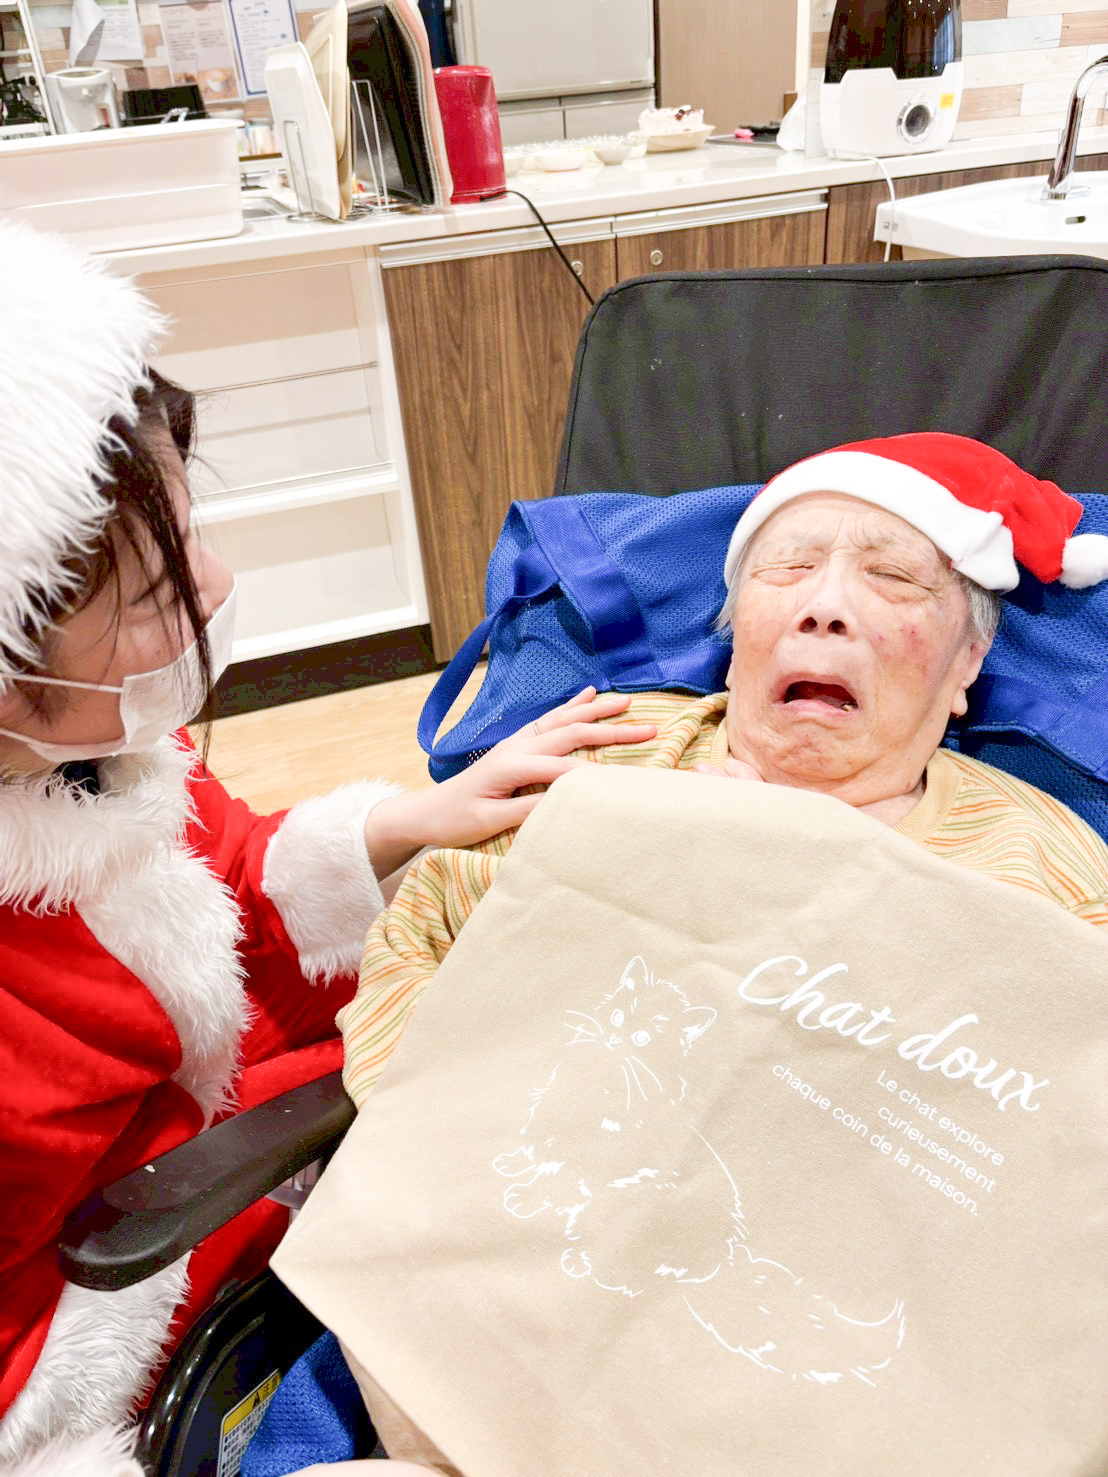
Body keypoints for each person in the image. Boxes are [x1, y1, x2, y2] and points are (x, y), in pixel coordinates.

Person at [0, 219, 657, 1474]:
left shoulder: (88, 759)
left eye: (190, 531)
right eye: (155, 595)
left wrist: (407, 823)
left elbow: (219, 871)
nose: (213, 584)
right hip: (77, 1336)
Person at [341, 431, 1108, 1109]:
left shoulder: (1048, 869)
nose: (826, 605)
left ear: (967, 658)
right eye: (790, 567)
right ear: (736, 637)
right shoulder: (601, 756)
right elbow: (416, 954)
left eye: (894, 577)